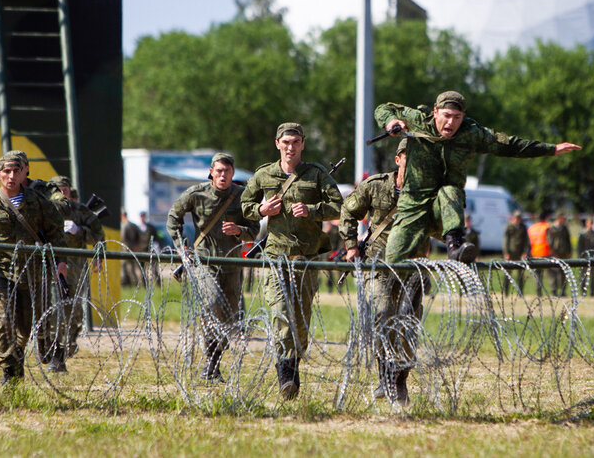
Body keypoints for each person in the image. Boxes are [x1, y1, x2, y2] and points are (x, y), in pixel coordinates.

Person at [374, 90, 581, 265]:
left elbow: (510, 145)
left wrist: (551, 149)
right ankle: (406, 297)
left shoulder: (472, 134)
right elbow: (382, 108)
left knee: (450, 190)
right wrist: (391, 121)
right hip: (413, 209)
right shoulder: (416, 121)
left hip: (445, 216)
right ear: (435, 112)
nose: (451, 122)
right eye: (446, 115)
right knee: (392, 265)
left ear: (463, 116)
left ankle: (455, 246)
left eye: (457, 117)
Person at [241, 123, 343, 399]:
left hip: (307, 258)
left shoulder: (317, 175)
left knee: (300, 320)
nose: (290, 147)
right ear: (277, 144)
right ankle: (286, 376)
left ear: (302, 144)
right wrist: (261, 209)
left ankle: (292, 369)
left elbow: (340, 206)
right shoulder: (264, 174)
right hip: (276, 257)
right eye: (286, 141)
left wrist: (311, 210)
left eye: (296, 141)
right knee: (281, 313)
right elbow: (244, 206)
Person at [0, 151, 67, 385]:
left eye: (16, 171)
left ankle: (17, 359)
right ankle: (10, 371)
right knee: (5, 321)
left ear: (25, 172)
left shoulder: (37, 201)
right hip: (2, 273)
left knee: (26, 328)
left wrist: (61, 261)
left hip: (32, 271)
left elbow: (56, 231)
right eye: (6, 171)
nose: (11, 176)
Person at [339, 138, 431, 402]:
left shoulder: (427, 190)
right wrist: (351, 245)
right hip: (377, 264)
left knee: (408, 324)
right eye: (408, 157)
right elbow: (348, 210)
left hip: (412, 267)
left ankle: (400, 377)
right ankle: (386, 375)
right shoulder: (376, 185)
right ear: (398, 159)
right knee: (382, 314)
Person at [167, 152, 259, 381]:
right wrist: (182, 247)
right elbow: (173, 217)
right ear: (211, 172)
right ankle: (210, 358)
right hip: (204, 262)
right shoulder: (197, 194)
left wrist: (240, 231)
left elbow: (254, 228)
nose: (223, 175)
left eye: (227, 171)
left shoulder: (241, 196)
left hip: (231, 262)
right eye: (219, 171)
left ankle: (214, 361)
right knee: (212, 303)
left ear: (233, 173)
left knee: (229, 318)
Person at [49, 176, 105, 365]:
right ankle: (56, 350)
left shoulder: (80, 210)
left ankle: (68, 343)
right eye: (56, 189)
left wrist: (79, 231)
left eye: (63, 189)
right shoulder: (44, 211)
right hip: (50, 265)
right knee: (53, 308)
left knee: (73, 310)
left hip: (75, 267)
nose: (60, 193)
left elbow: (98, 236)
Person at [502, 210, 529, 291]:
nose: (518, 219)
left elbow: (525, 241)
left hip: (520, 253)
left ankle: (520, 291)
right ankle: (506, 291)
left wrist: (525, 252)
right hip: (511, 252)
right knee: (508, 273)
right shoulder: (509, 227)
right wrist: (506, 252)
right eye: (516, 218)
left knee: (520, 274)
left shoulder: (523, 227)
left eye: (519, 218)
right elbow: (506, 240)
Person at [547, 212, 572, 296]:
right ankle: (554, 290)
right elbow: (549, 241)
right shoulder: (551, 228)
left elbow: (568, 241)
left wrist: (569, 252)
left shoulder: (565, 228)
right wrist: (553, 252)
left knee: (563, 273)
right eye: (563, 219)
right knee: (553, 273)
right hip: (554, 253)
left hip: (564, 253)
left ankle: (563, 290)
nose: (564, 221)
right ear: (558, 218)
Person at [527, 212, 552, 295]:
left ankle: (538, 292)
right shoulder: (546, 227)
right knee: (551, 273)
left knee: (537, 275)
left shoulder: (532, 228)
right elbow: (550, 240)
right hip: (545, 252)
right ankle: (554, 291)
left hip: (534, 253)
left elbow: (528, 241)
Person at [577, 216, 594, 293]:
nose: (590, 225)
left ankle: (592, 291)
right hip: (585, 257)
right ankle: (583, 290)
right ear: (586, 224)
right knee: (584, 275)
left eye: (592, 223)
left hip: (593, 257)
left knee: (593, 275)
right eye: (589, 223)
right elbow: (579, 247)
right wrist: (580, 256)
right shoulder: (583, 234)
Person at [137, 211, 162, 287]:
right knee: (142, 270)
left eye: (143, 216)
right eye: (141, 216)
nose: (142, 218)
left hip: (150, 250)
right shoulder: (137, 228)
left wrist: (157, 248)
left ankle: (158, 284)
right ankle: (145, 285)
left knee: (154, 269)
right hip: (141, 251)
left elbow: (156, 238)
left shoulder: (151, 228)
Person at [120, 211, 142, 286]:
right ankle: (136, 282)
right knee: (133, 266)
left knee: (125, 267)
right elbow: (138, 237)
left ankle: (128, 283)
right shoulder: (133, 225)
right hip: (134, 248)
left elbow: (123, 238)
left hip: (125, 249)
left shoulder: (123, 225)